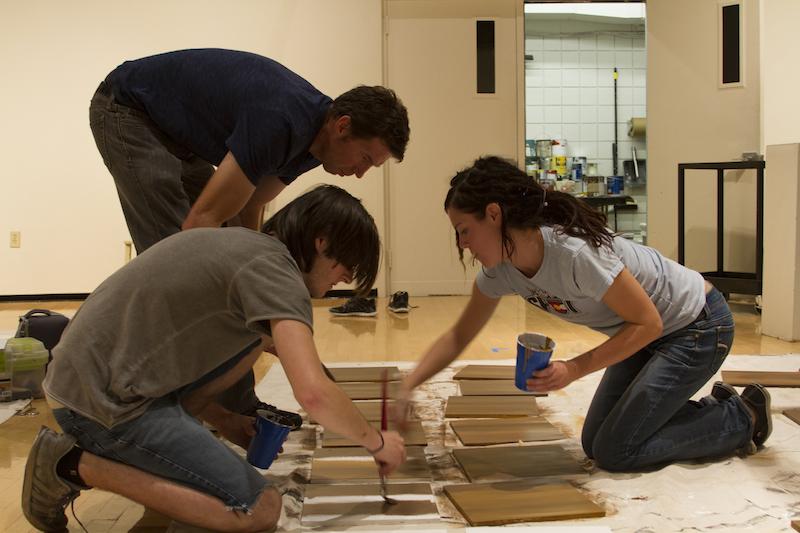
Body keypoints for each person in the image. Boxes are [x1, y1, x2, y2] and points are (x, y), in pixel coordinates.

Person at [22, 185, 407, 532]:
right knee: (259, 508)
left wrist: (223, 419)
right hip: (102, 404)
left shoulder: (249, 249)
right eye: (347, 267)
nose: (344, 280)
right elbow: (314, 393)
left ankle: (98, 457)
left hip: (89, 381)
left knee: (258, 339)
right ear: (322, 243)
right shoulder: (278, 274)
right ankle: (71, 464)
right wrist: (376, 443)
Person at [90, 47, 410, 420]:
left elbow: (248, 209)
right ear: (343, 126)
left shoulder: (310, 146)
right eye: (366, 159)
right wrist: (251, 305)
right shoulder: (280, 121)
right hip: (129, 110)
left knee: (227, 284)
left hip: (177, 136)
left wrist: (259, 294)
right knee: (176, 266)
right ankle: (155, 403)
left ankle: (237, 406)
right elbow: (199, 225)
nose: (360, 173)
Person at [397, 156, 771, 472]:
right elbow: (458, 336)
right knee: (595, 443)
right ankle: (695, 413)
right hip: (643, 333)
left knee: (616, 451)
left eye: (464, 231)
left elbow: (650, 322)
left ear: (493, 214)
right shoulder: (502, 270)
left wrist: (574, 368)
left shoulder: (574, 254)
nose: (462, 244)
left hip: (698, 326)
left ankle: (742, 417)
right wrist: (407, 385)